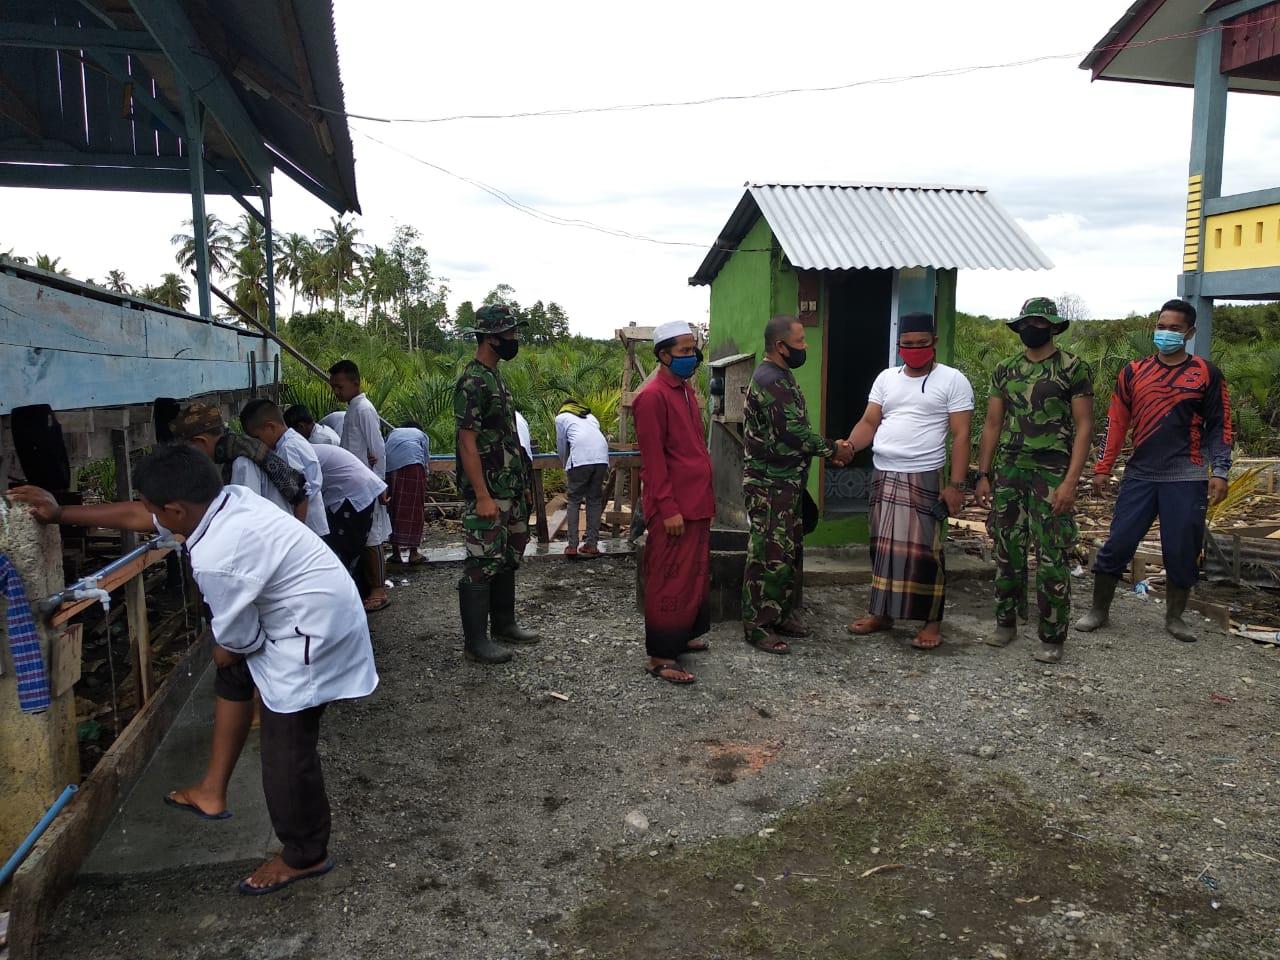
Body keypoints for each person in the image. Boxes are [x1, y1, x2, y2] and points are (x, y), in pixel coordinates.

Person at [9, 445, 378, 895]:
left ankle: (305, 854)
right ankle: (211, 789)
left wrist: (225, 653)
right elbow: (139, 516)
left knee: (287, 747)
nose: (148, 513)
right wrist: (59, 512)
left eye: (152, 505)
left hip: (313, 636)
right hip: (305, 610)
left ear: (176, 508)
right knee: (234, 676)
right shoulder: (227, 500)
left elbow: (234, 644)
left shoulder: (219, 552)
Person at [1076, 298, 1232, 642]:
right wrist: (1103, 467)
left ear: (1189, 333)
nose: (1166, 333)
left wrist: (1219, 470)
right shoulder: (1133, 372)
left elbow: (1220, 425)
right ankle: (1099, 610)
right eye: (1161, 326)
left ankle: (1175, 617)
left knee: (1181, 549)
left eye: (1175, 328)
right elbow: (1116, 423)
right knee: (1118, 543)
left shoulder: (1205, 373)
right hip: (1140, 474)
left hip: (1187, 475)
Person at [843, 312, 974, 650]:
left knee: (924, 552)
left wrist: (956, 486)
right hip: (884, 471)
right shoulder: (886, 379)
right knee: (882, 548)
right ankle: (882, 613)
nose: (914, 350)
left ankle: (932, 621)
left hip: (925, 474)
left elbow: (961, 436)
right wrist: (849, 446)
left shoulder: (953, 380)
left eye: (922, 344)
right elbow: (869, 421)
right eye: (908, 345)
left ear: (934, 343)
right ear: (898, 345)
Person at [975, 298, 1094, 664]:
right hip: (1010, 470)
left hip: (1052, 471)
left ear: (1053, 327)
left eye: (1039, 323)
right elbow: (993, 423)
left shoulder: (1072, 368)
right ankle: (1005, 622)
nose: (1032, 329)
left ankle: (1052, 635)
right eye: (1027, 322)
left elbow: (1084, 426)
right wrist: (983, 475)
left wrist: (1071, 482)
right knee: (1007, 550)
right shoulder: (1006, 369)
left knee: (1052, 556)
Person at [740, 315, 851, 654]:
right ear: (780, 346)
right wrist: (833, 448)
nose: (805, 347)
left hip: (786, 483)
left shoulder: (781, 376)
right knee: (767, 555)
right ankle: (757, 625)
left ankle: (781, 614)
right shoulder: (770, 380)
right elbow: (793, 433)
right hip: (769, 485)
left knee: (787, 552)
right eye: (801, 342)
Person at [454, 305, 540, 664]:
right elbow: (466, 441)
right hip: (488, 490)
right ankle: (476, 642)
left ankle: (504, 624)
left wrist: (519, 486)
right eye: (509, 335)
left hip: (508, 486)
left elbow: (506, 437)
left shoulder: (495, 377)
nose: (514, 341)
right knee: (481, 561)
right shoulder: (473, 381)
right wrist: (482, 495)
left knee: (507, 557)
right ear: (490, 337)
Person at [632, 319, 714, 684]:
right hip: (675, 508)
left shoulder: (683, 391)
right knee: (668, 578)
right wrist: (668, 509)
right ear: (663, 355)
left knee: (691, 574)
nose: (692, 356)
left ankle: (681, 636)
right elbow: (654, 461)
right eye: (683, 351)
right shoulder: (652, 397)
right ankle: (660, 656)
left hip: (696, 502)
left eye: (693, 349)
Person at [329, 360, 391, 613]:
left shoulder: (364, 408)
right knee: (364, 536)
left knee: (373, 535)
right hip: (355, 484)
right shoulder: (353, 408)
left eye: (340, 386)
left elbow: (378, 449)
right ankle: (368, 585)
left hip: (366, 484)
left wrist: (379, 485)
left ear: (356, 383)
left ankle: (379, 589)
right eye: (333, 387)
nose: (336, 392)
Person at [170, 402, 306, 516]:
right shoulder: (235, 451)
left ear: (201, 441)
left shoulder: (242, 462)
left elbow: (246, 516)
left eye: (188, 449)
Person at [240, 399, 328, 538]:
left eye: (257, 437)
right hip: (310, 523)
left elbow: (300, 493)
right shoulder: (292, 439)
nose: (257, 443)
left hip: (306, 525)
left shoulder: (286, 449)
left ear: (270, 427)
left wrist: (296, 533)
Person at [312, 442, 388, 589]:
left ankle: (376, 590)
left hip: (354, 493)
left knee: (358, 543)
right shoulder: (305, 448)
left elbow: (306, 495)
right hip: (352, 491)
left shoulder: (294, 452)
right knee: (355, 542)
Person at [555, 399, 611, 558]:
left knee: (574, 500)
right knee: (594, 499)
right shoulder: (591, 417)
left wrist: (564, 462)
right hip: (601, 459)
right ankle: (592, 544)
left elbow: (561, 444)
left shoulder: (561, 418)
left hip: (580, 458)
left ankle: (572, 545)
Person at [384, 421, 432, 565]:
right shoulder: (421, 435)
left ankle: (396, 553)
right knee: (414, 509)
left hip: (390, 469)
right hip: (412, 466)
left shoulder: (393, 433)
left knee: (394, 507)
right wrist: (426, 475)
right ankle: (413, 553)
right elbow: (425, 458)